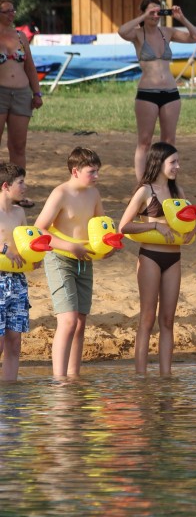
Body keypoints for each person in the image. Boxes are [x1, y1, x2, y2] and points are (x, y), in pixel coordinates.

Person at [35, 147, 114, 378]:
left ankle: (73, 377)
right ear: (75, 171)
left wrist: (107, 247)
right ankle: (59, 380)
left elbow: (101, 228)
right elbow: (39, 230)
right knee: (68, 320)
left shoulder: (94, 194)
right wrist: (70, 246)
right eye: (92, 172)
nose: (96, 176)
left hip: (84, 259)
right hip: (59, 259)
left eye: (98, 171)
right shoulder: (60, 193)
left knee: (80, 322)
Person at [118, 142, 196, 376]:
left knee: (168, 320)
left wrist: (193, 229)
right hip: (150, 257)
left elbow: (190, 223)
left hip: (174, 258)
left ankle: (166, 377)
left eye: (178, 162)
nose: (177, 166)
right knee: (147, 318)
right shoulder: (145, 191)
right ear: (159, 162)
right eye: (173, 162)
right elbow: (124, 226)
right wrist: (154, 226)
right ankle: (141, 376)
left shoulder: (178, 192)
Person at [118, 0, 196, 181]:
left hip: (171, 93)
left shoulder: (167, 32)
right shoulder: (137, 34)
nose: (156, 16)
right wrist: (143, 17)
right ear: (143, 13)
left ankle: (166, 180)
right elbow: (121, 31)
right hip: (147, 93)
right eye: (152, 12)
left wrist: (181, 18)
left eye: (158, 12)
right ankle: (142, 184)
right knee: (145, 141)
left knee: (169, 141)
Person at [0, 0, 43, 208]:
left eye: (13, 10)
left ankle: (17, 192)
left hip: (22, 94)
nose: (12, 14)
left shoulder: (20, 36)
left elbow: (30, 66)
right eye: (6, 11)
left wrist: (37, 93)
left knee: (18, 145)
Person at [0, 163, 33, 381]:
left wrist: (33, 259)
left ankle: (10, 392)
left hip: (18, 281)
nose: (25, 187)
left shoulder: (19, 212)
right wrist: (4, 249)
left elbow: (25, 245)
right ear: (6, 186)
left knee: (14, 341)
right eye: (20, 182)